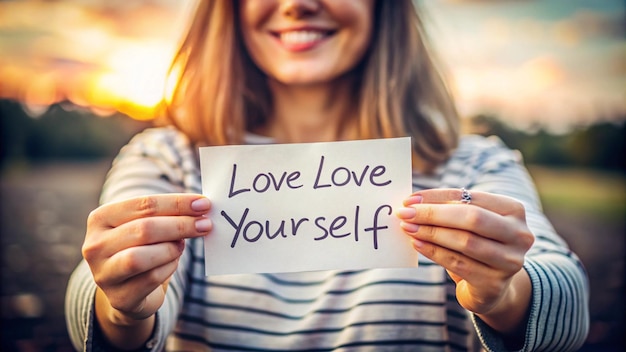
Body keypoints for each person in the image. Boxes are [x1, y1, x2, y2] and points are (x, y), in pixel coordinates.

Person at [65, 0, 589, 351]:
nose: (298, 4)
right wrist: (122, 306)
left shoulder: (473, 166)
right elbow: (92, 306)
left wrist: (505, 293)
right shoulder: (169, 160)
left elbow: (569, 310)